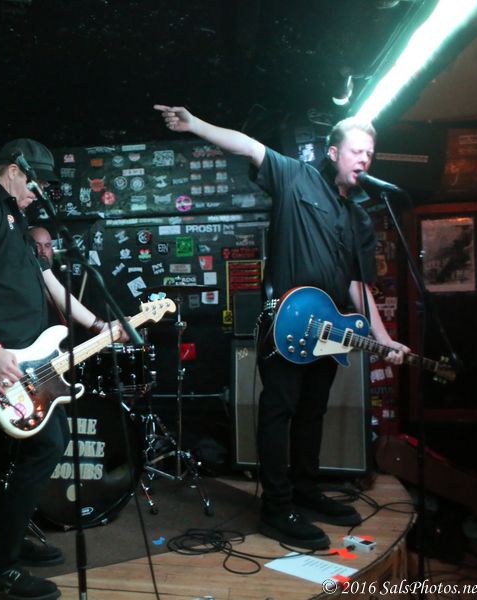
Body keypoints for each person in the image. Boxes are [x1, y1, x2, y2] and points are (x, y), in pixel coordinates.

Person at [153, 104, 409, 549]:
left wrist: (383, 338)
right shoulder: (297, 177)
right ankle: (276, 506)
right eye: (356, 151)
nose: (364, 159)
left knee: (313, 411)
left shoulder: (359, 218)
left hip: (329, 329)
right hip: (286, 319)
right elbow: (249, 146)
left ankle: (306, 491)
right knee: (280, 410)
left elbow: (357, 283)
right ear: (334, 153)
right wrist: (196, 125)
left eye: (370, 153)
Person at [0, 138, 126, 600]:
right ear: (13, 169)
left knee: (48, 443)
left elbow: (50, 283)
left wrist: (100, 325)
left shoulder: (18, 218)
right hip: (5, 360)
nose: (38, 192)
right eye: (35, 182)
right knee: (47, 445)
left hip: (34, 357)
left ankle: (9, 540)